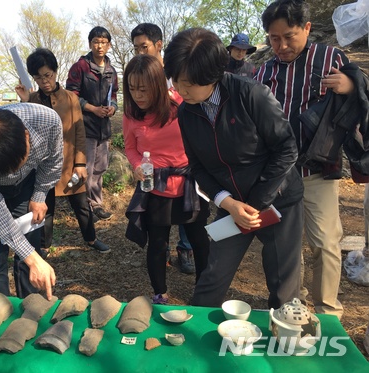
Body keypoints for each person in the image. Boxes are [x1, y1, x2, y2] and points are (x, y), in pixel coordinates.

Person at [164, 28, 304, 309]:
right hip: (231, 204)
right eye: (176, 81)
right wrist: (227, 203)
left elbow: (286, 148)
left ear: (214, 74)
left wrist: (254, 205)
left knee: (282, 281)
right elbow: (197, 167)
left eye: (189, 82)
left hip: (278, 201)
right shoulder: (186, 111)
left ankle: (284, 337)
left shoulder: (251, 95)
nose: (182, 90)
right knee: (213, 274)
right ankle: (194, 338)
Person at [255, 0, 367, 317]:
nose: (282, 45)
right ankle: (294, 303)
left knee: (327, 244)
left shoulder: (331, 57)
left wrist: (350, 84)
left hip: (317, 169)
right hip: (279, 175)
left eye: (289, 36)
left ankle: (327, 309)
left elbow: (363, 92)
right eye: (274, 38)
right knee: (286, 246)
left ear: (306, 28)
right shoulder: (264, 71)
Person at [123, 54, 211, 305]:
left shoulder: (181, 106)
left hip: (188, 184)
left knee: (199, 240)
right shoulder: (131, 114)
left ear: (159, 85)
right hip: (156, 186)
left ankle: (203, 291)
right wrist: (138, 165)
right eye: (132, 89)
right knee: (158, 243)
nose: (138, 96)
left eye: (143, 89)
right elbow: (131, 148)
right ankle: (159, 292)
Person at [0, 103, 63, 300]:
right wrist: (33, 259)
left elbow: (53, 161)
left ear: (26, 136)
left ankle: (30, 306)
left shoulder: (48, 121)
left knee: (29, 241)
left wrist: (39, 194)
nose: (10, 175)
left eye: (16, 165)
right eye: (5, 172)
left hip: (27, 183)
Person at [15, 48, 110, 254]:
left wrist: (80, 163)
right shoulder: (32, 100)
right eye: (38, 77)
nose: (45, 81)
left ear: (56, 72)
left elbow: (79, 132)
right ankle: (43, 245)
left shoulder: (70, 98)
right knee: (45, 207)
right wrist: (25, 100)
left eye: (48, 75)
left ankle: (91, 239)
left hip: (69, 164)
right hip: (43, 167)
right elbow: (23, 128)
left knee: (82, 205)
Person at [130, 22, 196, 274]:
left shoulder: (176, 75)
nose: (140, 53)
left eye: (144, 47)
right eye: (136, 48)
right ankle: (164, 254)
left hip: (186, 172)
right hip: (156, 177)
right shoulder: (138, 89)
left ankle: (185, 248)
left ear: (159, 45)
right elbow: (132, 140)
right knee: (159, 231)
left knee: (191, 219)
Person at [66, 26, 119, 222]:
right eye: (96, 42)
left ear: (109, 45)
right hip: (84, 126)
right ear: (90, 44)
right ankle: (84, 207)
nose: (99, 46)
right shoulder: (80, 67)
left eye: (103, 42)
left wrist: (112, 108)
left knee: (100, 168)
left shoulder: (112, 71)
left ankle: (96, 204)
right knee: (85, 168)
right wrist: (92, 108)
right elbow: (71, 95)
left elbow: (113, 96)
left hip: (103, 127)